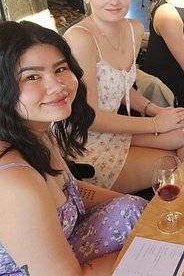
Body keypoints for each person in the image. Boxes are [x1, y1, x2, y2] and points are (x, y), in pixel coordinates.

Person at [0, 21, 147, 274]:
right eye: (32, 77)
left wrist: (147, 210)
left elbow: (71, 189)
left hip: (69, 246)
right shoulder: (14, 181)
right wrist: (145, 255)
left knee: (137, 210)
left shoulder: (39, 131)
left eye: (60, 69)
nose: (58, 86)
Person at [64, 0, 184, 193]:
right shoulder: (81, 39)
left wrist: (156, 110)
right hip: (87, 140)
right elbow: (90, 117)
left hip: (116, 130)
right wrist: (155, 123)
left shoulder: (134, 29)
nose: (113, 1)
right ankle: (174, 215)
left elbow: (122, 85)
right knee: (170, 164)